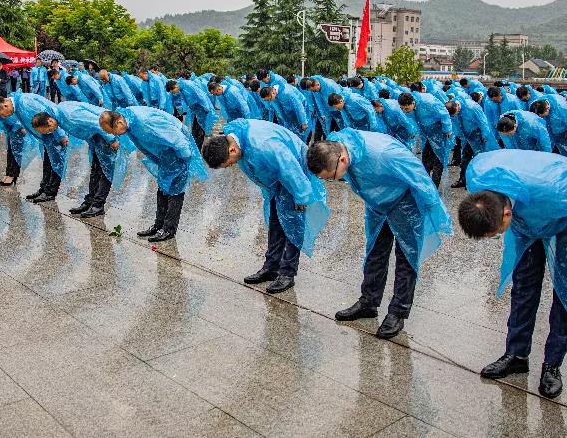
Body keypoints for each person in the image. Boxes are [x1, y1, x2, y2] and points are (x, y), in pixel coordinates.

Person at [458, 150, 567, 399]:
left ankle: (552, 365)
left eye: (497, 232)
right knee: (523, 286)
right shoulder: (477, 176)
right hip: (526, 224)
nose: (498, 236)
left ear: (506, 214)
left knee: (566, 291)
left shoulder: (555, 189)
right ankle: (516, 354)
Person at [307, 129, 452, 339]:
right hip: (376, 202)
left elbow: (421, 179)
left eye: (332, 176)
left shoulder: (385, 154)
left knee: (406, 257)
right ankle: (369, 301)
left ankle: (398, 313)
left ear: (343, 159)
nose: (333, 180)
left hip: (405, 202)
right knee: (374, 251)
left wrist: (434, 213)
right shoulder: (337, 147)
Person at [202, 119, 330, 294]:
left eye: (229, 163)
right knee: (276, 221)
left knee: (293, 226)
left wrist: (301, 196)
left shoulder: (263, 145)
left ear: (232, 149)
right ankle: (271, 266)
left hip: (296, 176)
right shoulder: (237, 138)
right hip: (276, 180)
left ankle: (287, 274)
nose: (231, 165)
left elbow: (290, 167)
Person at [101, 106, 207, 241]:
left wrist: (185, 157)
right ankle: (158, 225)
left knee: (175, 190)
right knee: (163, 187)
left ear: (119, 123)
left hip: (177, 151)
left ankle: (169, 230)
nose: (116, 135)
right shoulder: (128, 121)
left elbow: (177, 138)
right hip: (164, 152)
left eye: (114, 132)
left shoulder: (145, 121)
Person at [56, 101, 129, 218]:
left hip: (104, 137)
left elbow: (96, 122)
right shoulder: (61, 111)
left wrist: (111, 139)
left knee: (105, 172)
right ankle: (90, 201)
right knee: (95, 170)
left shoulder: (68, 113)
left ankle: (98, 205)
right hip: (96, 138)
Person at [16, 92, 71, 203]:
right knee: (47, 163)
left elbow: (53, 118)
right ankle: (44, 188)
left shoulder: (26, 102)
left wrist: (60, 135)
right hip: (47, 134)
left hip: (55, 135)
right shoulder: (21, 101)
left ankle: (50, 192)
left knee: (56, 164)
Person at [397, 91, 453, 186]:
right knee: (425, 161)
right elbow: (412, 120)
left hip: (439, 132)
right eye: (402, 109)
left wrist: (447, 129)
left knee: (438, 160)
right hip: (426, 134)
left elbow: (444, 113)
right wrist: (413, 131)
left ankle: (434, 187)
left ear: (413, 103)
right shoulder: (409, 109)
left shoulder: (428, 102)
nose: (405, 111)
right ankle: (424, 185)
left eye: (406, 108)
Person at [0, 95, 41, 186]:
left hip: (17, 129)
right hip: (11, 130)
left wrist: (21, 126)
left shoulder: (17, 103)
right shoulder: (6, 104)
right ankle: (9, 174)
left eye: (1, 114)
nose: (3, 116)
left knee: (16, 153)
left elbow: (23, 116)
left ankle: (13, 175)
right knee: (11, 151)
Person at [447, 95, 500, 189]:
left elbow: (483, 122)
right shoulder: (453, 109)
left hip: (479, 135)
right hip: (467, 136)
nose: (456, 115)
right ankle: (463, 180)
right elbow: (456, 123)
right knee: (465, 158)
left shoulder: (472, 107)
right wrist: (459, 135)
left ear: (457, 107)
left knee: (481, 158)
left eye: (456, 113)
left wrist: (484, 135)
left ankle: (483, 180)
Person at [529, 95, 567, 160]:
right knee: (563, 155)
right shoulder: (537, 104)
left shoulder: (563, 108)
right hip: (553, 133)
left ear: (547, 109)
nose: (542, 118)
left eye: (542, 116)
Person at [166, 77, 218, 148]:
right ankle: (197, 148)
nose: (174, 93)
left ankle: (200, 149)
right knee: (195, 131)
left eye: (173, 92)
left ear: (175, 87)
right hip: (195, 111)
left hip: (202, 110)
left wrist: (207, 109)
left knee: (201, 131)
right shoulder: (182, 88)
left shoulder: (189, 85)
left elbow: (201, 97)